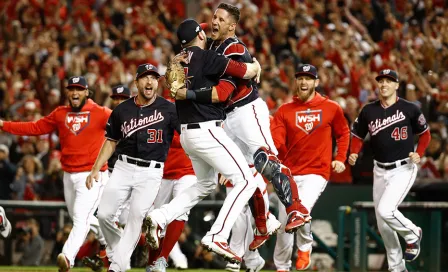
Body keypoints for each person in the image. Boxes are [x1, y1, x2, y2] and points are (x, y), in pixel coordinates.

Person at [144, 18, 261, 265]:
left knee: (205, 184)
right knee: (246, 181)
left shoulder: (175, 61)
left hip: (187, 134)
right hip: (207, 130)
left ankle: (160, 217)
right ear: (200, 35)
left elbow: (176, 86)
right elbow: (246, 71)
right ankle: (217, 235)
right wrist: (256, 65)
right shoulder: (207, 57)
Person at [0, 76, 111, 272]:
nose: (74, 93)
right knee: (81, 218)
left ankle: (67, 258)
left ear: (87, 92)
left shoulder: (102, 113)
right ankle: (109, 242)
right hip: (68, 175)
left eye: (79, 89)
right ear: (67, 92)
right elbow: (34, 128)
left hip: (92, 175)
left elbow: (127, 126)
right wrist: (3, 125)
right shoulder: (60, 113)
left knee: (80, 219)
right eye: (71, 89)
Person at [85, 63, 179, 272]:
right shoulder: (121, 110)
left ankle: (116, 266)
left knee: (136, 217)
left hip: (151, 172)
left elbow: (188, 135)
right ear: (136, 82)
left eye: (154, 77)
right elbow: (110, 141)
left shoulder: (169, 109)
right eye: (145, 77)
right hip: (123, 167)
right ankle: (120, 249)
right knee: (104, 215)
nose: (149, 81)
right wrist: (95, 168)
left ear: (157, 82)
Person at [349, 69, 431, 272]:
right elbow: (358, 135)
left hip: (403, 168)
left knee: (386, 210)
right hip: (380, 170)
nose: (384, 84)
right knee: (383, 223)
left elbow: (426, 134)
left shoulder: (410, 108)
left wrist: (419, 152)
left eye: (389, 81)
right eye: (381, 81)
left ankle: (413, 234)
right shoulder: (369, 110)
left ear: (396, 85)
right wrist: (353, 152)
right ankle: (397, 268)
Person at [272, 64, 350, 271]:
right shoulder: (284, 110)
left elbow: (343, 133)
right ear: (296, 82)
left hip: (317, 171)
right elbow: (276, 140)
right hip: (288, 173)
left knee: (300, 211)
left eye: (308, 78)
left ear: (316, 82)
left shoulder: (331, 107)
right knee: (283, 224)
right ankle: (281, 267)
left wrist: (340, 157)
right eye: (300, 78)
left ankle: (305, 245)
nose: (304, 82)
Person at [83, 84, 131, 272]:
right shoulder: (109, 118)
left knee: (127, 220)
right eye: (116, 99)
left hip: (133, 173)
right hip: (111, 173)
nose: (118, 102)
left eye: (122, 98)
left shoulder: (136, 117)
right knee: (106, 216)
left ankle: (111, 256)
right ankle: (109, 258)